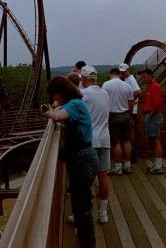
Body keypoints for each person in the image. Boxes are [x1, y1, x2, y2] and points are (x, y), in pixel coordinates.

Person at [44, 76, 98, 247]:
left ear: (60, 93)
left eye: (54, 96)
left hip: (83, 159)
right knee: (80, 207)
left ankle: (88, 245)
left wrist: (49, 112)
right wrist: (55, 106)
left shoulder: (75, 105)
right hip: (82, 158)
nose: (54, 99)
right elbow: (60, 108)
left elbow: (59, 116)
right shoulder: (74, 103)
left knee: (83, 210)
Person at [79, 65, 111, 224]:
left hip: (89, 141)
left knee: (86, 180)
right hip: (105, 140)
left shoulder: (83, 94)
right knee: (103, 175)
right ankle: (103, 212)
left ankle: (86, 213)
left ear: (83, 80)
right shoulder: (105, 94)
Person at [102, 68, 135, 175]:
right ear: (119, 74)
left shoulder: (106, 85)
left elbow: (104, 101)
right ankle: (128, 166)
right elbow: (131, 102)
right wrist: (128, 113)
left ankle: (118, 168)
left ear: (110, 74)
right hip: (125, 114)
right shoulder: (127, 86)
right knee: (126, 140)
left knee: (116, 142)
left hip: (112, 115)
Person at [139, 68, 165, 174]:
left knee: (155, 140)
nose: (143, 78)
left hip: (153, 116)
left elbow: (157, 103)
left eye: (144, 76)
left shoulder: (155, 87)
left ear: (150, 75)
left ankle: (158, 166)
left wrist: (150, 115)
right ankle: (157, 165)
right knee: (154, 140)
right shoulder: (152, 87)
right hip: (152, 115)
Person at [119, 63, 142, 163]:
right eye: (121, 71)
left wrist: (130, 100)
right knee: (129, 132)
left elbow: (138, 91)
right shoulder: (127, 80)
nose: (122, 73)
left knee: (130, 132)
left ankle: (132, 154)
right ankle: (131, 155)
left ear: (128, 70)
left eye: (124, 71)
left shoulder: (131, 79)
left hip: (131, 110)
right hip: (130, 108)